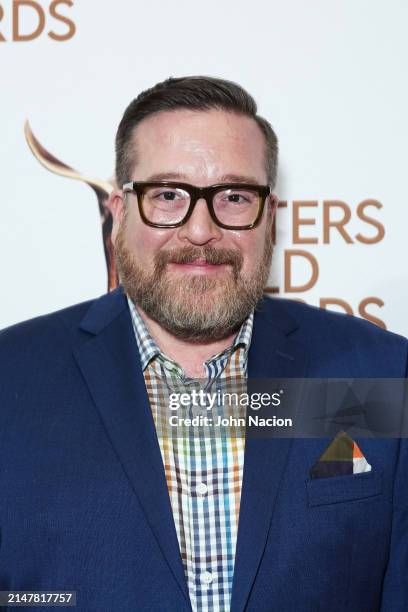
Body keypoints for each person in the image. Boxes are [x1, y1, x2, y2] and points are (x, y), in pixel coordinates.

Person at [0, 76, 407, 612]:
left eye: (234, 197)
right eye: (168, 195)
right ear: (118, 213)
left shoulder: (378, 373)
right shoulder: (12, 381)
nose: (199, 230)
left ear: (270, 217)